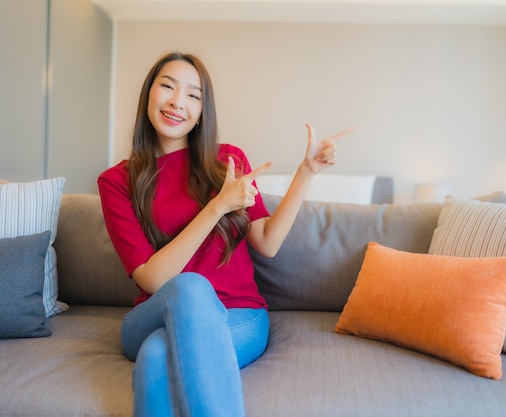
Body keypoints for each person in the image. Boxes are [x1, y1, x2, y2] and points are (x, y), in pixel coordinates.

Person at [97, 51, 353, 417]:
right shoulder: (116, 182)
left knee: (156, 356)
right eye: (167, 87)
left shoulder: (227, 162)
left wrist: (307, 171)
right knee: (190, 286)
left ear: (203, 110)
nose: (177, 102)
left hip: (238, 314)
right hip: (154, 312)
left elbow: (267, 241)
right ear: (148, 94)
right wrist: (216, 207)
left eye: (192, 95)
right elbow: (153, 279)